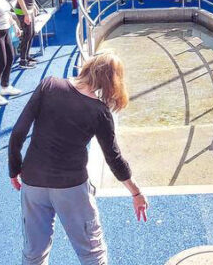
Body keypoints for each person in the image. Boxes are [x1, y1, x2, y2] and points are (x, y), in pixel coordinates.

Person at [9, 51, 148, 265]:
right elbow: (114, 159)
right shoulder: (99, 111)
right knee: (92, 253)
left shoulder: (49, 85)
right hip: (71, 187)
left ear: (88, 66)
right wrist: (136, 192)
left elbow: (18, 132)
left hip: (32, 180)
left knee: (34, 252)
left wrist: (14, 170)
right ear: (113, 81)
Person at [13, 0, 37, 69]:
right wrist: (26, 13)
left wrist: (34, 7)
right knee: (27, 34)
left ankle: (26, 56)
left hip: (29, 9)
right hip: (23, 11)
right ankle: (22, 60)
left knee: (31, 33)